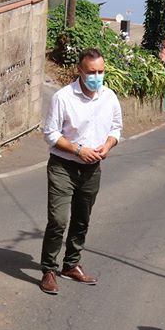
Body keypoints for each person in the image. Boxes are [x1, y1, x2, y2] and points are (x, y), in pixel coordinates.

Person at [39, 48, 123, 295]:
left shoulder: (109, 97)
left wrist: (107, 146)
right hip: (63, 165)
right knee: (58, 220)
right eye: (91, 72)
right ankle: (49, 270)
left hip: (92, 168)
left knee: (82, 219)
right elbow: (50, 134)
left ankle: (71, 264)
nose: (97, 76)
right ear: (80, 71)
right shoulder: (63, 97)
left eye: (100, 71)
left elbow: (116, 127)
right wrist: (77, 150)